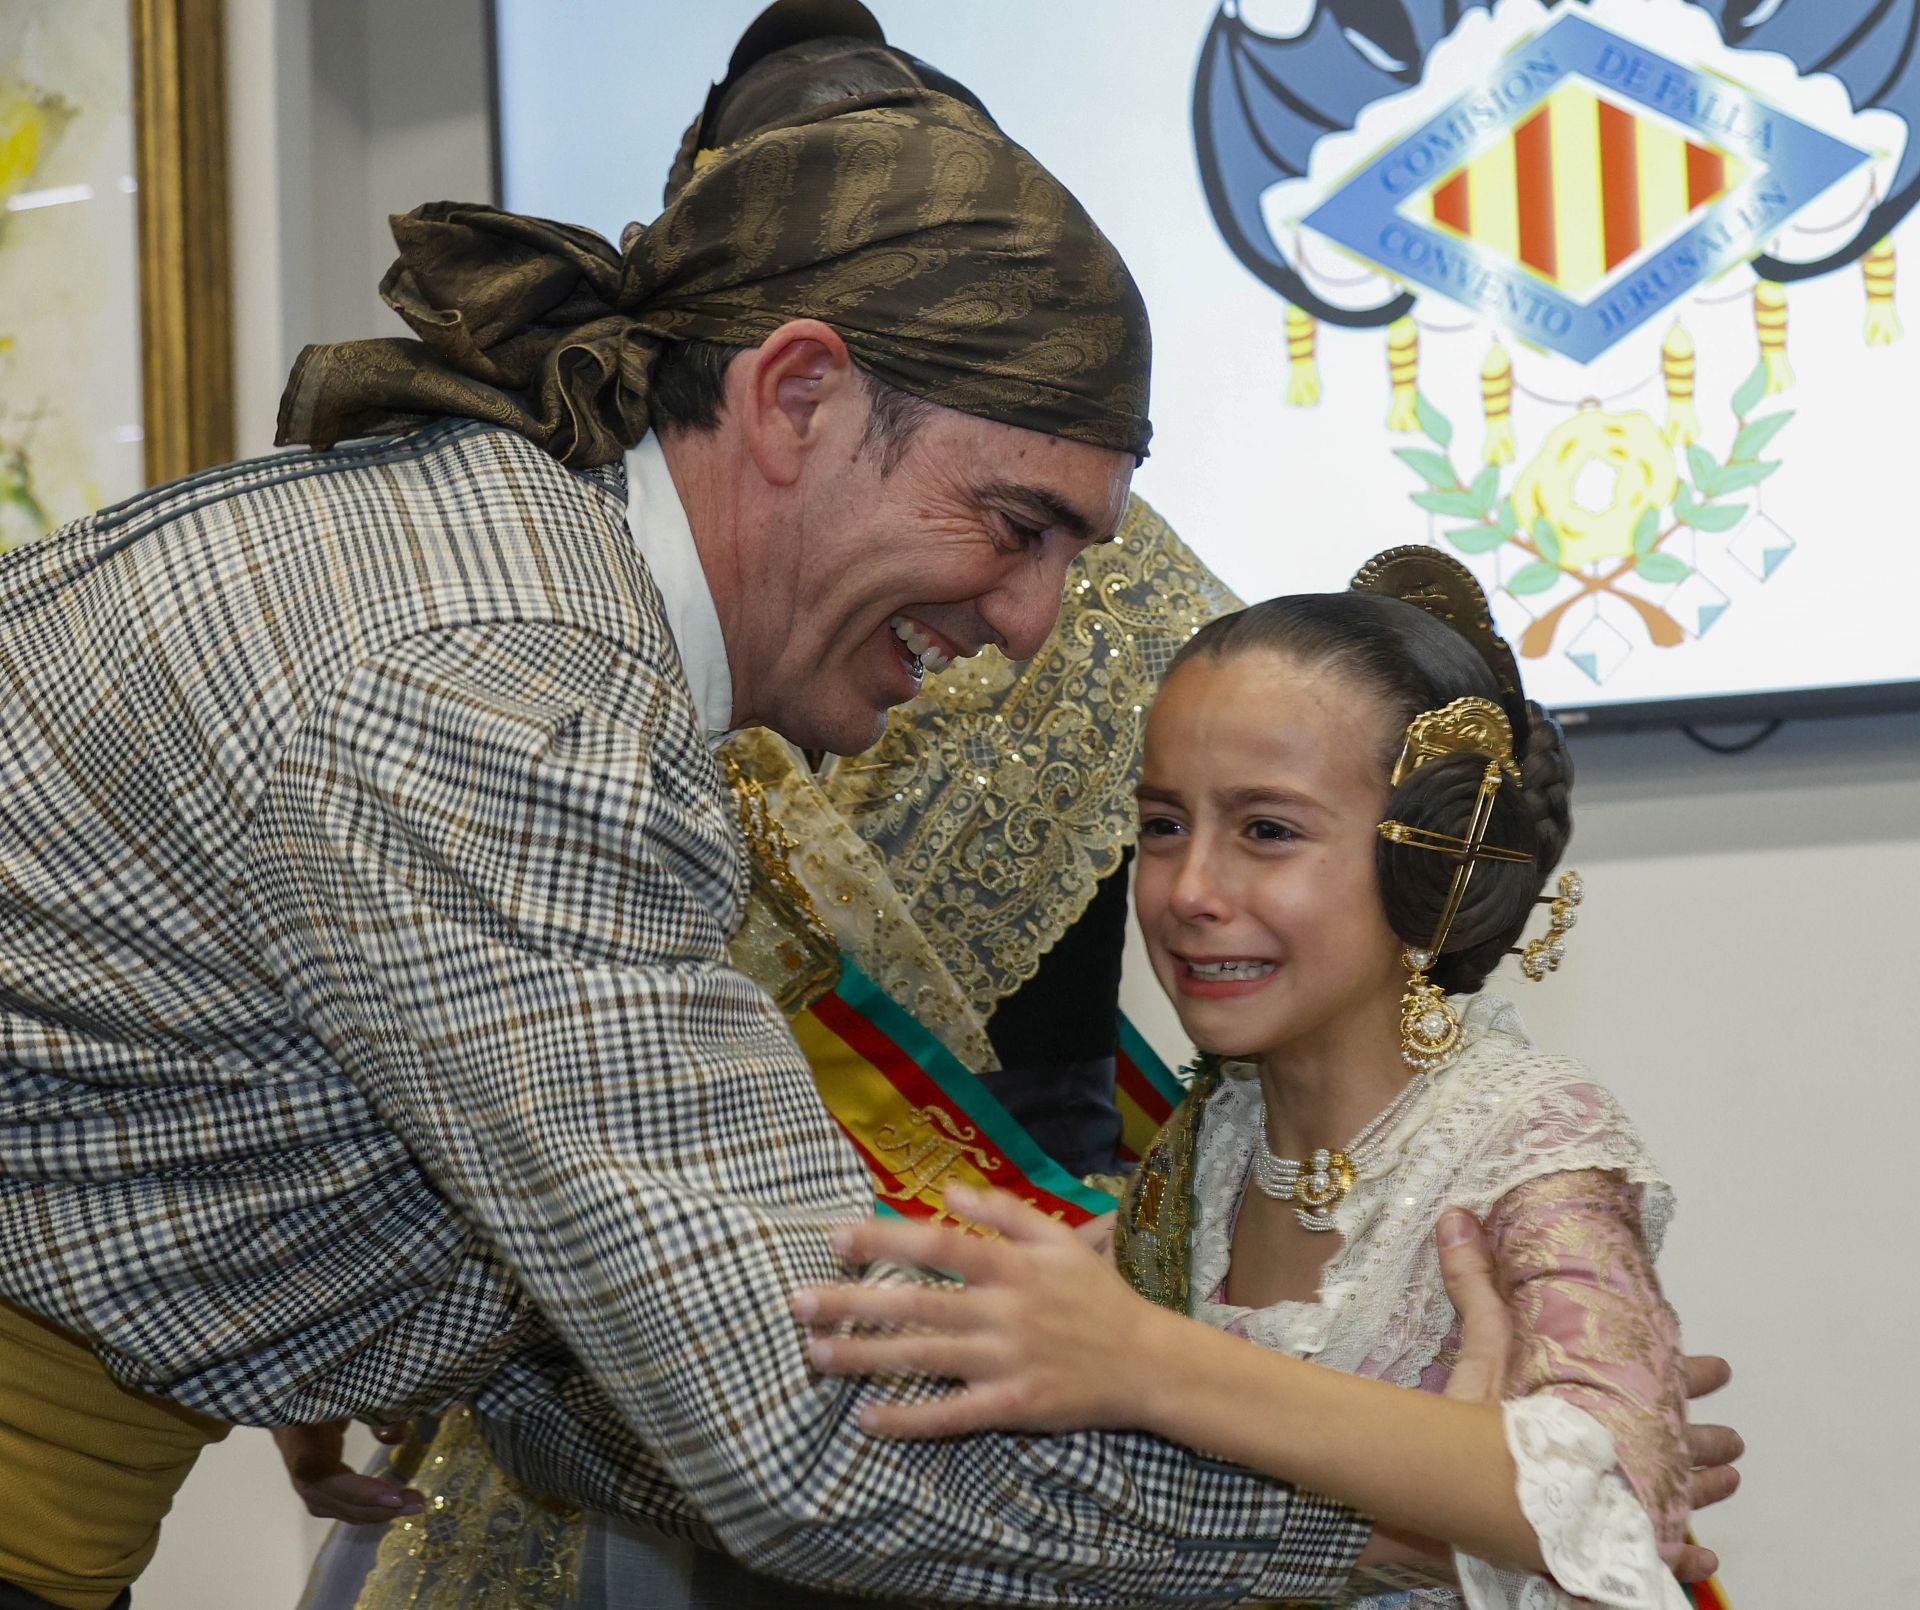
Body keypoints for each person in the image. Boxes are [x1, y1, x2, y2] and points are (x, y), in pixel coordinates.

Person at [797, 547, 1727, 1608]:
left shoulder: (1527, 1133)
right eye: (1161, 825)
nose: (1190, 889)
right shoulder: (1213, 1143)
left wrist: (1157, 1362)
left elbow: (1623, 1494)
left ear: (1440, 855)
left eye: (1267, 830)